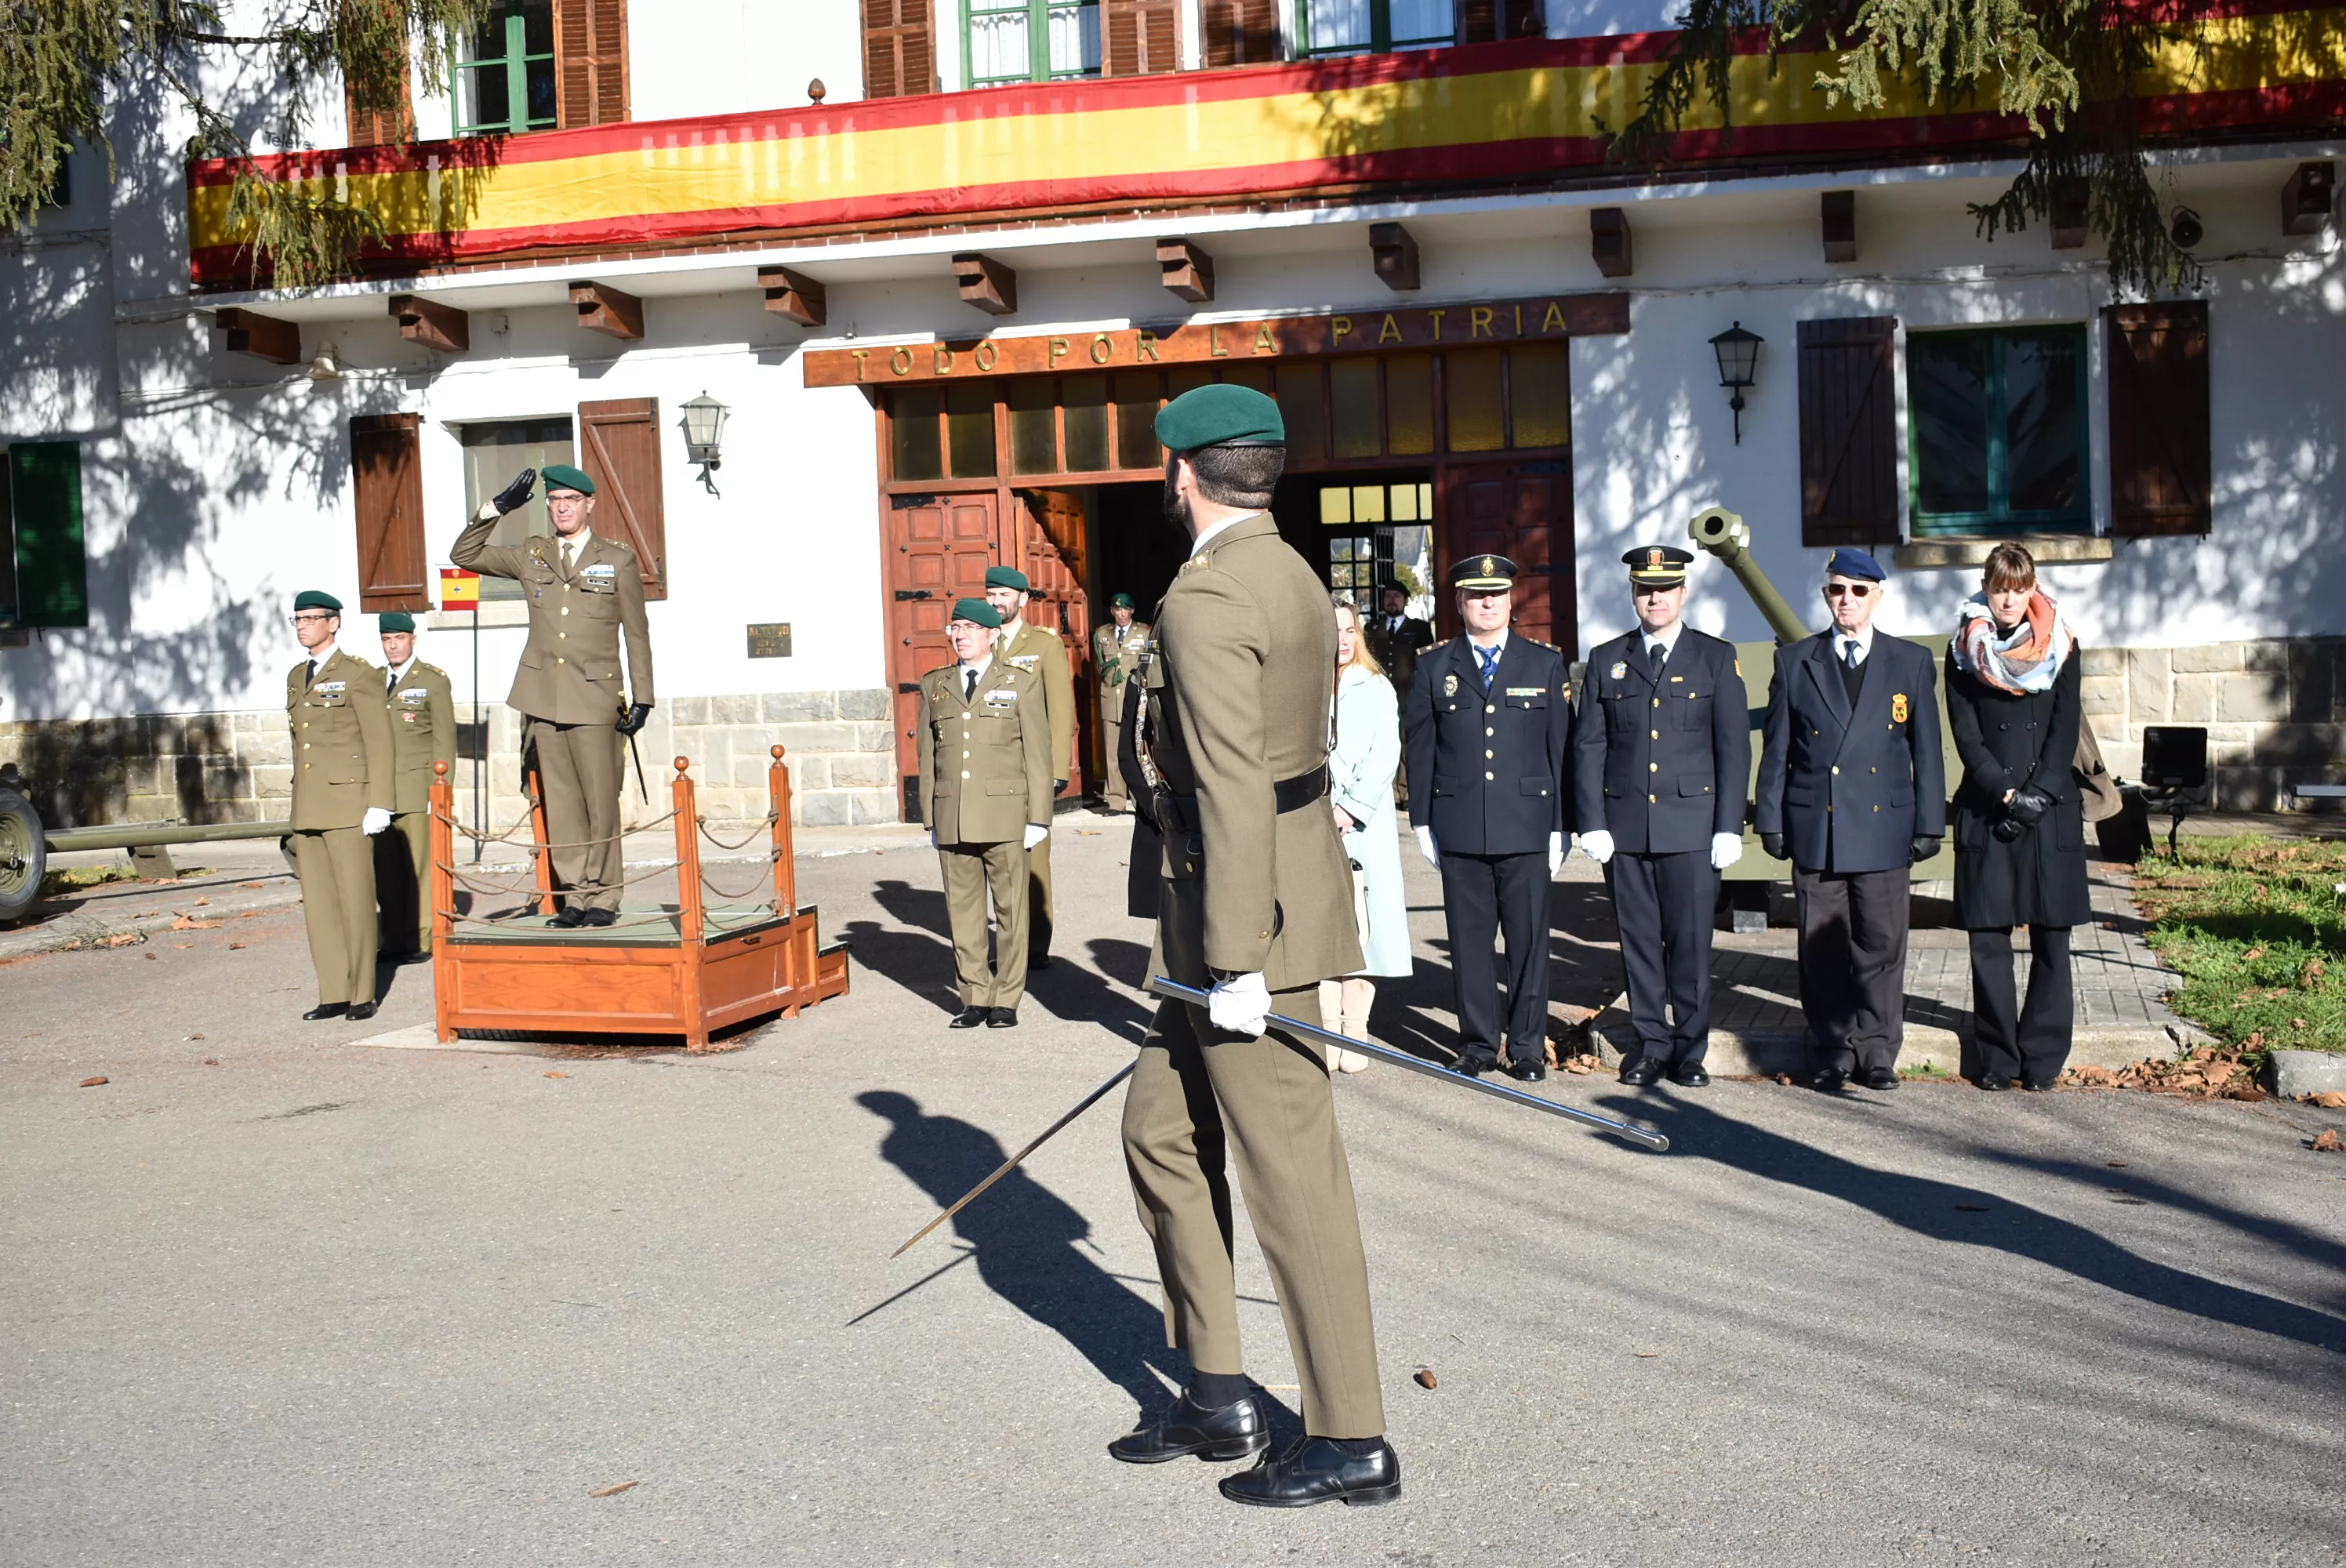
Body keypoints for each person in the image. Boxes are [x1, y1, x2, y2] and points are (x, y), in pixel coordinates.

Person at [1113, 383, 1397, 1508]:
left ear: (1182, 474)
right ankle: (1219, 1386)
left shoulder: (1210, 593)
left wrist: (1234, 962)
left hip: (1244, 922)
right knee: (1160, 1135)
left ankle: (1352, 1436)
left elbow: (1232, 783)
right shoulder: (1288, 569)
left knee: (1293, 1180)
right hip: (1220, 912)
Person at [1754, 549, 1946, 1094]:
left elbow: (1926, 750)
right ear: (1825, 596)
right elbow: (1778, 750)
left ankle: (1878, 1048)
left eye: (1859, 591)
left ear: (1877, 597)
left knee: (1882, 945)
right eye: (1838, 590)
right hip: (1819, 826)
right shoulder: (1796, 661)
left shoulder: (1908, 662)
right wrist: (1771, 817)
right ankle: (1832, 1049)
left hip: (1884, 829)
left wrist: (1931, 821)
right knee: (1822, 950)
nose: (1847, 600)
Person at [1574, 545, 1750, 1089]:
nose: (1656, 598)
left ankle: (1690, 1048)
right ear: (1633, 595)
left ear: (1683, 593)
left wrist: (1728, 825)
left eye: (1666, 588)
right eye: (1646, 589)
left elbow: (1733, 747)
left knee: (1692, 942)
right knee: (1639, 941)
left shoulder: (1715, 658)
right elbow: (1589, 746)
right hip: (1626, 829)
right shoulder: (1607, 659)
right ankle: (1652, 1043)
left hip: (1693, 828)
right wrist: (1593, 820)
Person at [452, 464, 654, 929]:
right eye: (554, 500)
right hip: (544, 696)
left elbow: (637, 636)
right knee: (561, 803)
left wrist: (642, 697)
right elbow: (465, 554)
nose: (562, 507)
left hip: (596, 695)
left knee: (600, 802)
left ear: (589, 504)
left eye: (571, 500)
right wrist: (495, 509)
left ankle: (604, 895)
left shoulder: (617, 558)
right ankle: (574, 897)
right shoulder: (532, 553)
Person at [1404, 555, 1571, 1081]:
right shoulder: (1434, 665)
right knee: (1470, 947)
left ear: (1510, 600)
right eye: (1476, 596)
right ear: (1459, 603)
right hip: (1459, 828)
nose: (1487, 603)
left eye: (1496, 594)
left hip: (1526, 826)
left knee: (1527, 945)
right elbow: (1422, 745)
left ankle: (1525, 1046)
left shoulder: (1543, 663)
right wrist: (1422, 821)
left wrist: (1561, 825)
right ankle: (1477, 1044)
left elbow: (1561, 751)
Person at [1946, 543, 2090, 1091]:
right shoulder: (1963, 650)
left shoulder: (2063, 645)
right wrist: (2006, 794)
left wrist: (2038, 793)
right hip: (1990, 808)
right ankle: (1999, 1058)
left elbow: (2065, 725)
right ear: (1986, 588)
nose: (2008, 600)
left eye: (2018, 588)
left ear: (2032, 589)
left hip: (2049, 808)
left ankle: (2043, 1059)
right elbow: (1966, 733)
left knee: (2052, 938)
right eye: (1999, 588)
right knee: (1989, 940)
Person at [916, 597, 1053, 1029]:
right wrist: (930, 816)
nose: (960, 636)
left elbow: (1038, 753)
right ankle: (974, 995)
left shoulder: (1020, 681)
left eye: (970, 628)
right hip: (953, 813)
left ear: (993, 634)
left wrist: (1039, 819)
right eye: (954, 628)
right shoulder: (935, 685)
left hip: (1005, 814)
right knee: (963, 910)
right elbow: (927, 755)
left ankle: (1007, 998)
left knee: (1012, 911)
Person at [283, 590, 394, 1021]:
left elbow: (379, 741)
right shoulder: (297, 675)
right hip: (310, 803)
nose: (303, 626)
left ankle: (362, 991)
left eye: (312, 618)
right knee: (320, 904)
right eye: (297, 619)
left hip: (349, 803)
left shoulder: (359, 674)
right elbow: (300, 744)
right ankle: (333, 990)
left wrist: (379, 802)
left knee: (355, 899)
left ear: (334, 622)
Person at [1322, 594, 1411, 1074]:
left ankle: (1355, 1028)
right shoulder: (1302, 684)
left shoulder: (1375, 686)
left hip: (1362, 823)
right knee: (1319, 926)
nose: (1341, 639)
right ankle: (1325, 1027)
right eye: (1332, 630)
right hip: (1310, 821)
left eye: (1348, 630)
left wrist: (1349, 807)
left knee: (1364, 927)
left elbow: (1384, 755)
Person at [985, 565, 1075, 968]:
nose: (995, 601)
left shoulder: (1043, 644)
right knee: (997, 861)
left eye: (1003, 594)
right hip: (991, 771)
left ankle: (1036, 948)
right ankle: (1009, 948)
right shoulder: (977, 640)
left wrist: (1058, 770)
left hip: (1031, 769)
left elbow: (1059, 707)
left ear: (1022, 599)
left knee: (1033, 860)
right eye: (991, 594)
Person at [374, 611, 456, 964]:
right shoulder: (373, 680)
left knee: (420, 868)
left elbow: (444, 741)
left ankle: (422, 939)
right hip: (381, 792)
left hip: (417, 788)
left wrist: (439, 792)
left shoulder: (432, 680)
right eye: (387, 640)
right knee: (387, 869)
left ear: (413, 640)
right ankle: (393, 938)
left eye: (399, 639)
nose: (393, 646)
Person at [1091, 593, 1152, 814]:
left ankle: (1140, 800)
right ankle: (1115, 801)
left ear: (1132, 611)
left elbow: (1149, 665)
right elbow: (1099, 667)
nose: (1122, 614)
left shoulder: (1144, 632)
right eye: (1118, 610)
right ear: (1112, 611)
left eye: (1126, 610)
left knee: (1137, 752)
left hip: (1135, 701)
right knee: (1112, 754)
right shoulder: (1102, 634)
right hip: (1111, 700)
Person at [1364, 583, 1434, 693]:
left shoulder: (1420, 628)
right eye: (1387, 596)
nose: (1392, 600)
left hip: (1410, 694)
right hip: (1379, 693)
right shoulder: (1371, 629)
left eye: (1397, 596)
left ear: (1405, 601)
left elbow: (1429, 662)